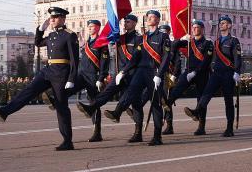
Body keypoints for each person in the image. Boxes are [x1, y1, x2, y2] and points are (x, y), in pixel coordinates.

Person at [0, 7, 79, 151]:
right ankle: (5, 111)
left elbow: (74, 59)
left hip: (61, 73)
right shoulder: (51, 36)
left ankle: (67, 141)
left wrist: (71, 78)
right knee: (29, 89)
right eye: (51, 18)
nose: (52, 20)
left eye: (54, 18)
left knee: (61, 107)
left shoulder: (70, 36)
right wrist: (40, 29)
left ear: (62, 18)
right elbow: (38, 42)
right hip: (48, 70)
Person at [103, 10, 171, 146]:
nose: (149, 19)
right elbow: (135, 58)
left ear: (157, 20)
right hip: (141, 71)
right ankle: (117, 112)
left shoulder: (163, 37)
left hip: (154, 72)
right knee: (131, 92)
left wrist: (159, 74)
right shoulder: (143, 38)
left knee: (156, 104)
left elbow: (166, 58)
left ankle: (157, 136)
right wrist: (123, 71)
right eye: (148, 17)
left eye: (152, 17)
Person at [77, 14, 145, 142]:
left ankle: (138, 133)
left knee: (135, 104)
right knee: (107, 92)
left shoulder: (139, 39)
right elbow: (106, 38)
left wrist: (124, 71)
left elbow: (136, 58)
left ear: (135, 23)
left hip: (133, 75)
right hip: (119, 75)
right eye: (125, 21)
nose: (125, 23)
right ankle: (91, 107)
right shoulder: (120, 38)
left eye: (128, 22)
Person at [184, 15, 242, 137]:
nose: (221, 25)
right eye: (220, 23)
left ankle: (229, 128)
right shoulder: (216, 42)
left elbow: (237, 58)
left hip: (228, 73)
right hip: (216, 73)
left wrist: (237, 72)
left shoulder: (233, 41)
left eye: (224, 23)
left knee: (228, 101)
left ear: (229, 25)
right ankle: (197, 111)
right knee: (206, 93)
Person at [62, 19, 110, 142]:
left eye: (92, 26)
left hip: (93, 76)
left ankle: (97, 132)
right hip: (81, 74)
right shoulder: (87, 43)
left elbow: (105, 62)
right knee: (67, 89)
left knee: (94, 103)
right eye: (88, 26)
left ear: (98, 28)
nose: (89, 28)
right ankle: (55, 98)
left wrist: (101, 78)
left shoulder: (101, 43)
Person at [167, 20, 214, 135]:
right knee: (177, 88)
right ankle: (167, 103)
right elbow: (173, 46)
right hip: (188, 71)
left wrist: (196, 72)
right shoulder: (189, 41)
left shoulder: (208, 43)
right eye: (193, 27)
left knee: (200, 99)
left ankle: (201, 127)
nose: (194, 29)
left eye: (197, 27)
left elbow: (206, 61)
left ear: (202, 29)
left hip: (202, 73)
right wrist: (182, 39)